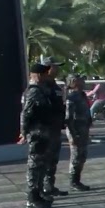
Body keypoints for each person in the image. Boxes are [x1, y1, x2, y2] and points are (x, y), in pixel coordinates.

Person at [18, 64, 55, 208]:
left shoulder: (41, 90)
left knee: (41, 164)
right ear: (39, 75)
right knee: (34, 164)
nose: (47, 76)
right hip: (36, 132)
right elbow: (26, 113)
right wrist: (24, 132)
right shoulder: (33, 92)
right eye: (45, 74)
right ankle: (32, 197)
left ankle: (38, 194)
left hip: (43, 131)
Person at [39, 56, 68, 197]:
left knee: (53, 159)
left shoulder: (54, 85)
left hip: (56, 128)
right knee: (43, 160)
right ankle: (41, 189)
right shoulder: (40, 86)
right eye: (54, 67)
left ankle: (49, 186)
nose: (56, 69)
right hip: (45, 129)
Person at [65, 74, 92, 191]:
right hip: (75, 130)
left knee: (82, 156)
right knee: (76, 156)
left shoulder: (82, 95)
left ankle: (77, 180)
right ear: (74, 82)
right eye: (81, 80)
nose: (83, 82)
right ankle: (73, 181)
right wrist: (73, 134)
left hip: (84, 129)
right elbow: (68, 118)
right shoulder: (71, 97)